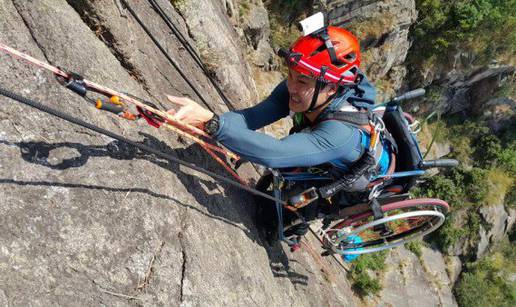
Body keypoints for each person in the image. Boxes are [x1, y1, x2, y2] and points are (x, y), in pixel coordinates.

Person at [166, 25, 392, 243]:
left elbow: (277, 153)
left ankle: (299, 224)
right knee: (277, 176)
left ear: (332, 88)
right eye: (291, 75)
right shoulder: (311, 87)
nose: (291, 87)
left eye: (301, 81)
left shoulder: (340, 134)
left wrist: (213, 125)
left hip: (341, 176)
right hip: (313, 144)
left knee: (272, 221)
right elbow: (253, 117)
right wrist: (215, 123)